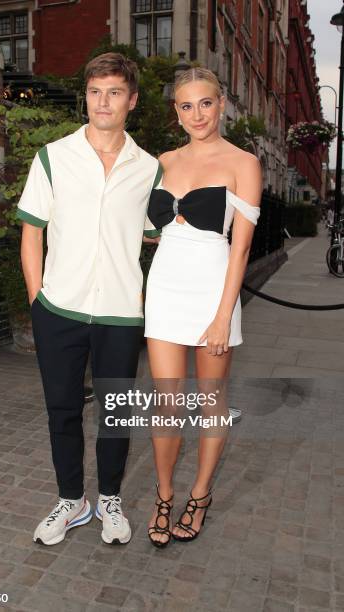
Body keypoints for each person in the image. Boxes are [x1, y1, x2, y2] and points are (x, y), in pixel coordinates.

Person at [17, 53, 160, 546]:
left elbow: (154, 235)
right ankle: (71, 500)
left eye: (115, 92)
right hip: (59, 309)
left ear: (131, 100)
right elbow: (31, 233)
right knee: (61, 410)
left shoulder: (149, 169)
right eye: (96, 91)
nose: (103, 102)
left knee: (115, 413)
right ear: (87, 96)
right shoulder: (53, 157)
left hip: (121, 313)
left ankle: (110, 501)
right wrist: (38, 301)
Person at [144, 67, 262, 547]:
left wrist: (221, 315)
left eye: (206, 103)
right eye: (187, 105)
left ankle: (200, 495)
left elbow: (241, 250)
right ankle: (164, 496)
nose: (198, 114)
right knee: (166, 405)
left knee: (211, 403)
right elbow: (148, 229)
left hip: (215, 290)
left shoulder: (244, 162)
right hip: (165, 290)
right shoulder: (162, 160)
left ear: (222, 103)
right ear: (177, 111)